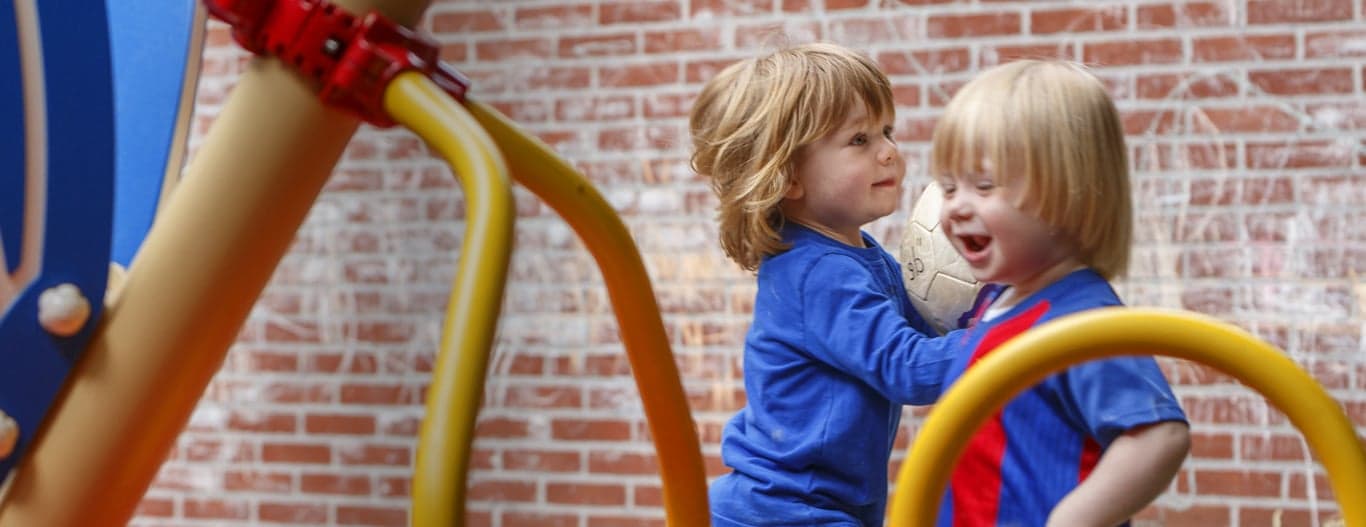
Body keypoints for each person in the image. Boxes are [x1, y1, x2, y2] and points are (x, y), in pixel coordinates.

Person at [689, 42, 959, 527]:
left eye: (887, 131)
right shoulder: (816, 273)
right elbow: (911, 369)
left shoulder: (862, 256)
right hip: (786, 512)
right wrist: (1011, 333)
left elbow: (927, 334)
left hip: (817, 506)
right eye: (860, 140)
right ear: (788, 175)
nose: (889, 151)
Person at [929, 59, 1190, 526]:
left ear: (1070, 193)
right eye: (949, 188)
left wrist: (1072, 520)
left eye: (984, 185)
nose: (957, 207)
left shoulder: (1082, 322)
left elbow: (1158, 435)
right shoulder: (994, 305)